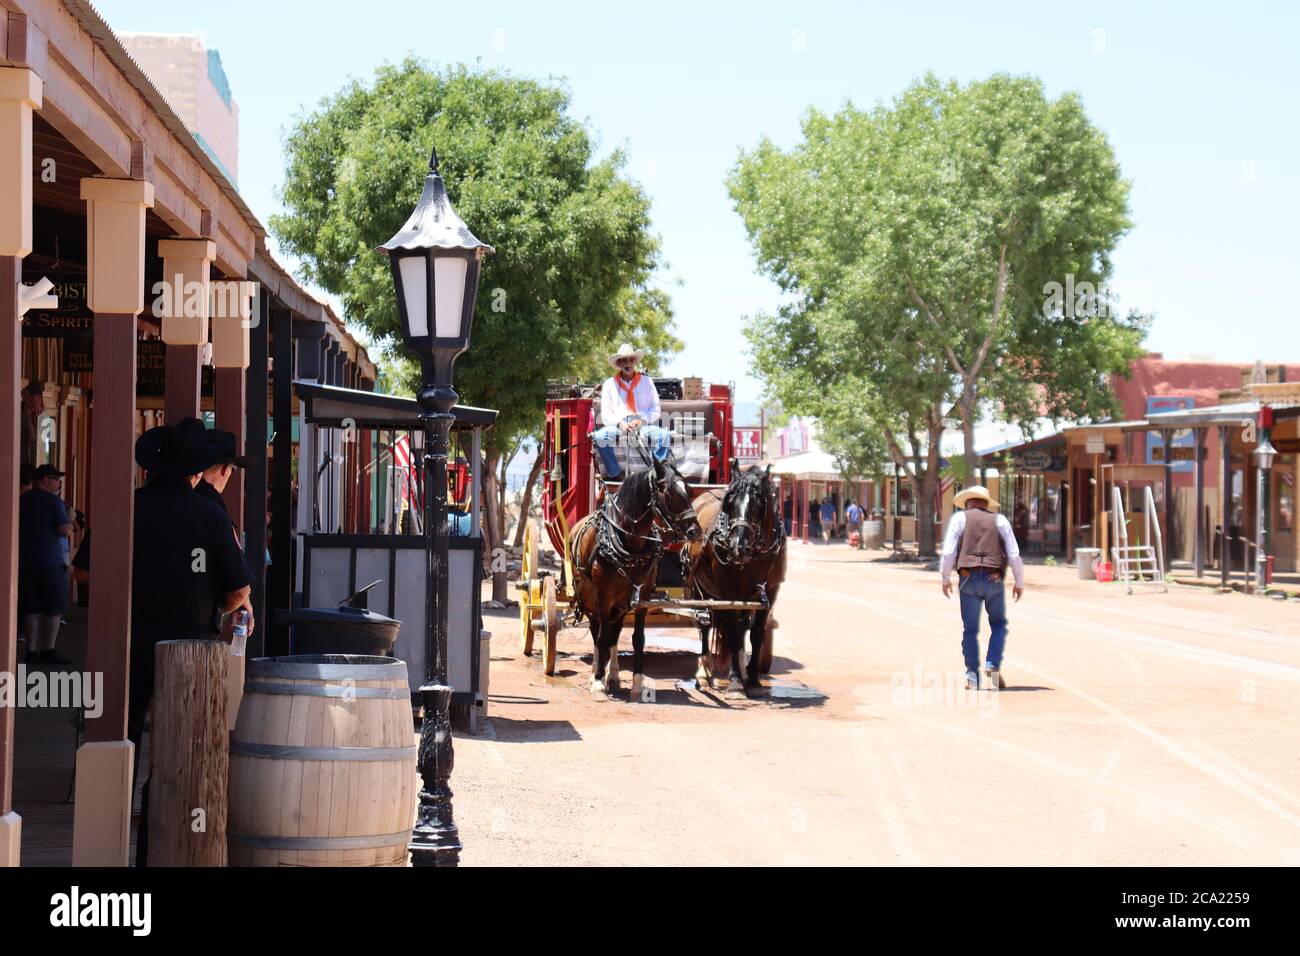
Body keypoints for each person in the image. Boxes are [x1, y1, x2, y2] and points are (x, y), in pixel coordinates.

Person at [129, 417, 253, 865]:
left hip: (129, 640)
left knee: (125, 738)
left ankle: (119, 822)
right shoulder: (210, 516)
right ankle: (163, 842)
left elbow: (85, 573)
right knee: (181, 749)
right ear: (197, 471)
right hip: (189, 647)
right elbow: (239, 590)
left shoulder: (129, 507)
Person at [939, 485, 1025, 690]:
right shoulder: (1000, 520)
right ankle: (992, 664)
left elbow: (949, 551)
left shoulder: (960, 519)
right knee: (998, 624)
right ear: (986, 504)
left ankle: (972, 678)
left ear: (968, 503)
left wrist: (945, 577)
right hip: (993, 577)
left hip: (968, 577)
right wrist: (1019, 582)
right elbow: (1013, 554)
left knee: (970, 630)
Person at [18, 464, 75, 666]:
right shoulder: (53, 502)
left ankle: (31, 651)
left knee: (32, 608)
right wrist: (71, 519)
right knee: (54, 608)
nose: (59, 482)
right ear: (44, 480)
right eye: (56, 478)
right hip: (51, 561)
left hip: (25, 561)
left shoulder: (21, 500)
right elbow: (64, 530)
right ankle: (48, 649)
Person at [592, 343, 671, 478]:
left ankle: (656, 473)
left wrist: (641, 421)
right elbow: (606, 413)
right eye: (624, 360)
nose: (628, 363)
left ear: (634, 362)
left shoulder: (647, 382)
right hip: (619, 425)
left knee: (664, 436)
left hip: (642, 425)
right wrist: (620, 424)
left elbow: (656, 409)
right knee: (599, 437)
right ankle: (615, 473)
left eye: (630, 360)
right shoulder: (610, 384)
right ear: (619, 364)